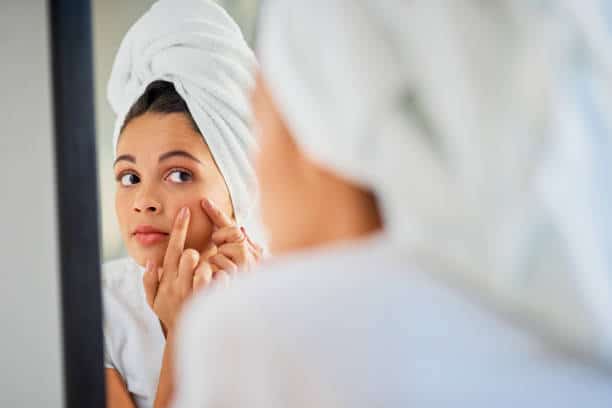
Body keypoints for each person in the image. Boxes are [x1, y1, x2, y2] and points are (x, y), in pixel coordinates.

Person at [172, 0, 612, 406]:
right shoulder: (588, 308)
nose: (258, 166)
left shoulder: (260, 331)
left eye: (260, 122)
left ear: (320, 116)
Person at [101, 1, 263, 407]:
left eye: (178, 174)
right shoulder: (93, 306)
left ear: (236, 185)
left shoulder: (290, 295)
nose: (143, 201)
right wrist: (184, 334)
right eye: (129, 178)